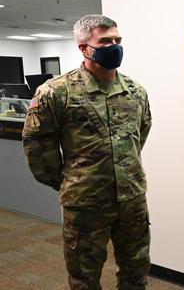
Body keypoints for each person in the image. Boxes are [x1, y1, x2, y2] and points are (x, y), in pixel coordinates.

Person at [23, 15, 152, 289]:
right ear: (84, 47)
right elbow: (37, 146)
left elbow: (139, 134)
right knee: (84, 278)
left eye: (118, 40)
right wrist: (71, 181)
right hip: (84, 203)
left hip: (131, 198)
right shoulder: (56, 92)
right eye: (105, 41)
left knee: (136, 272)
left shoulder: (135, 91)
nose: (114, 46)